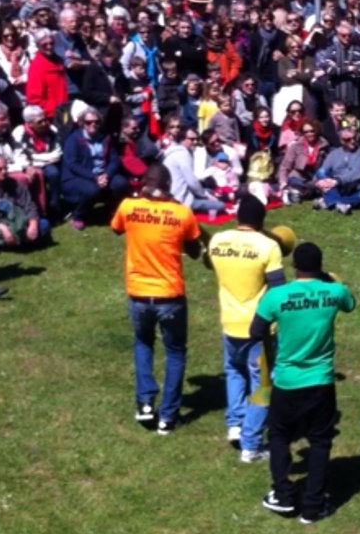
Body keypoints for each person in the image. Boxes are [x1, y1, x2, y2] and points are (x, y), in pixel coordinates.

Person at [251, 243, 355, 524]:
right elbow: (351, 303)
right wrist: (328, 280)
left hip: (287, 381)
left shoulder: (278, 296)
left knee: (280, 436)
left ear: (294, 266)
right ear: (320, 266)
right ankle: (313, 506)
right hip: (321, 380)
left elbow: (255, 330)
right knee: (321, 441)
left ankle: (283, 496)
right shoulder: (334, 292)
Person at [110, 164, 204, 435]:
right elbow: (195, 250)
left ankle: (145, 402)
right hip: (170, 294)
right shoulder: (182, 213)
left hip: (139, 293)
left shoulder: (129, 207)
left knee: (143, 343)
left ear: (144, 184)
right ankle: (168, 416)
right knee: (175, 352)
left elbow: (116, 229)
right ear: (169, 185)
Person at [207, 195, 286, 461]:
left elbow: (209, 262)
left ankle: (235, 424)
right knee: (261, 383)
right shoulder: (268, 246)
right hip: (259, 328)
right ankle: (251, 444)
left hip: (229, 322)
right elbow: (279, 290)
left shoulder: (218, 240)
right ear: (261, 220)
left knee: (234, 371)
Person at [0, 153, 49, 249]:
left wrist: (33, 224)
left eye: (5, 168)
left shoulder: (14, 183)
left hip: (17, 221)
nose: (4, 171)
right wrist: (2, 228)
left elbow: (29, 205)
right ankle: (19, 242)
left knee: (44, 224)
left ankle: (18, 241)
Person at [312, 125, 360, 214]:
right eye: (348, 140)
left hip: (354, 186)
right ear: (341, 141)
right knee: (321, 172)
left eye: (354, 138)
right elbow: (323, 169)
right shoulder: (334, 153)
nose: (352, 141)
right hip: (336, 187)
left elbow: (357, 173)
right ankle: (343, 204)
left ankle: (328, 202)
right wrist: (317, 183)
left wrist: (337, 181)